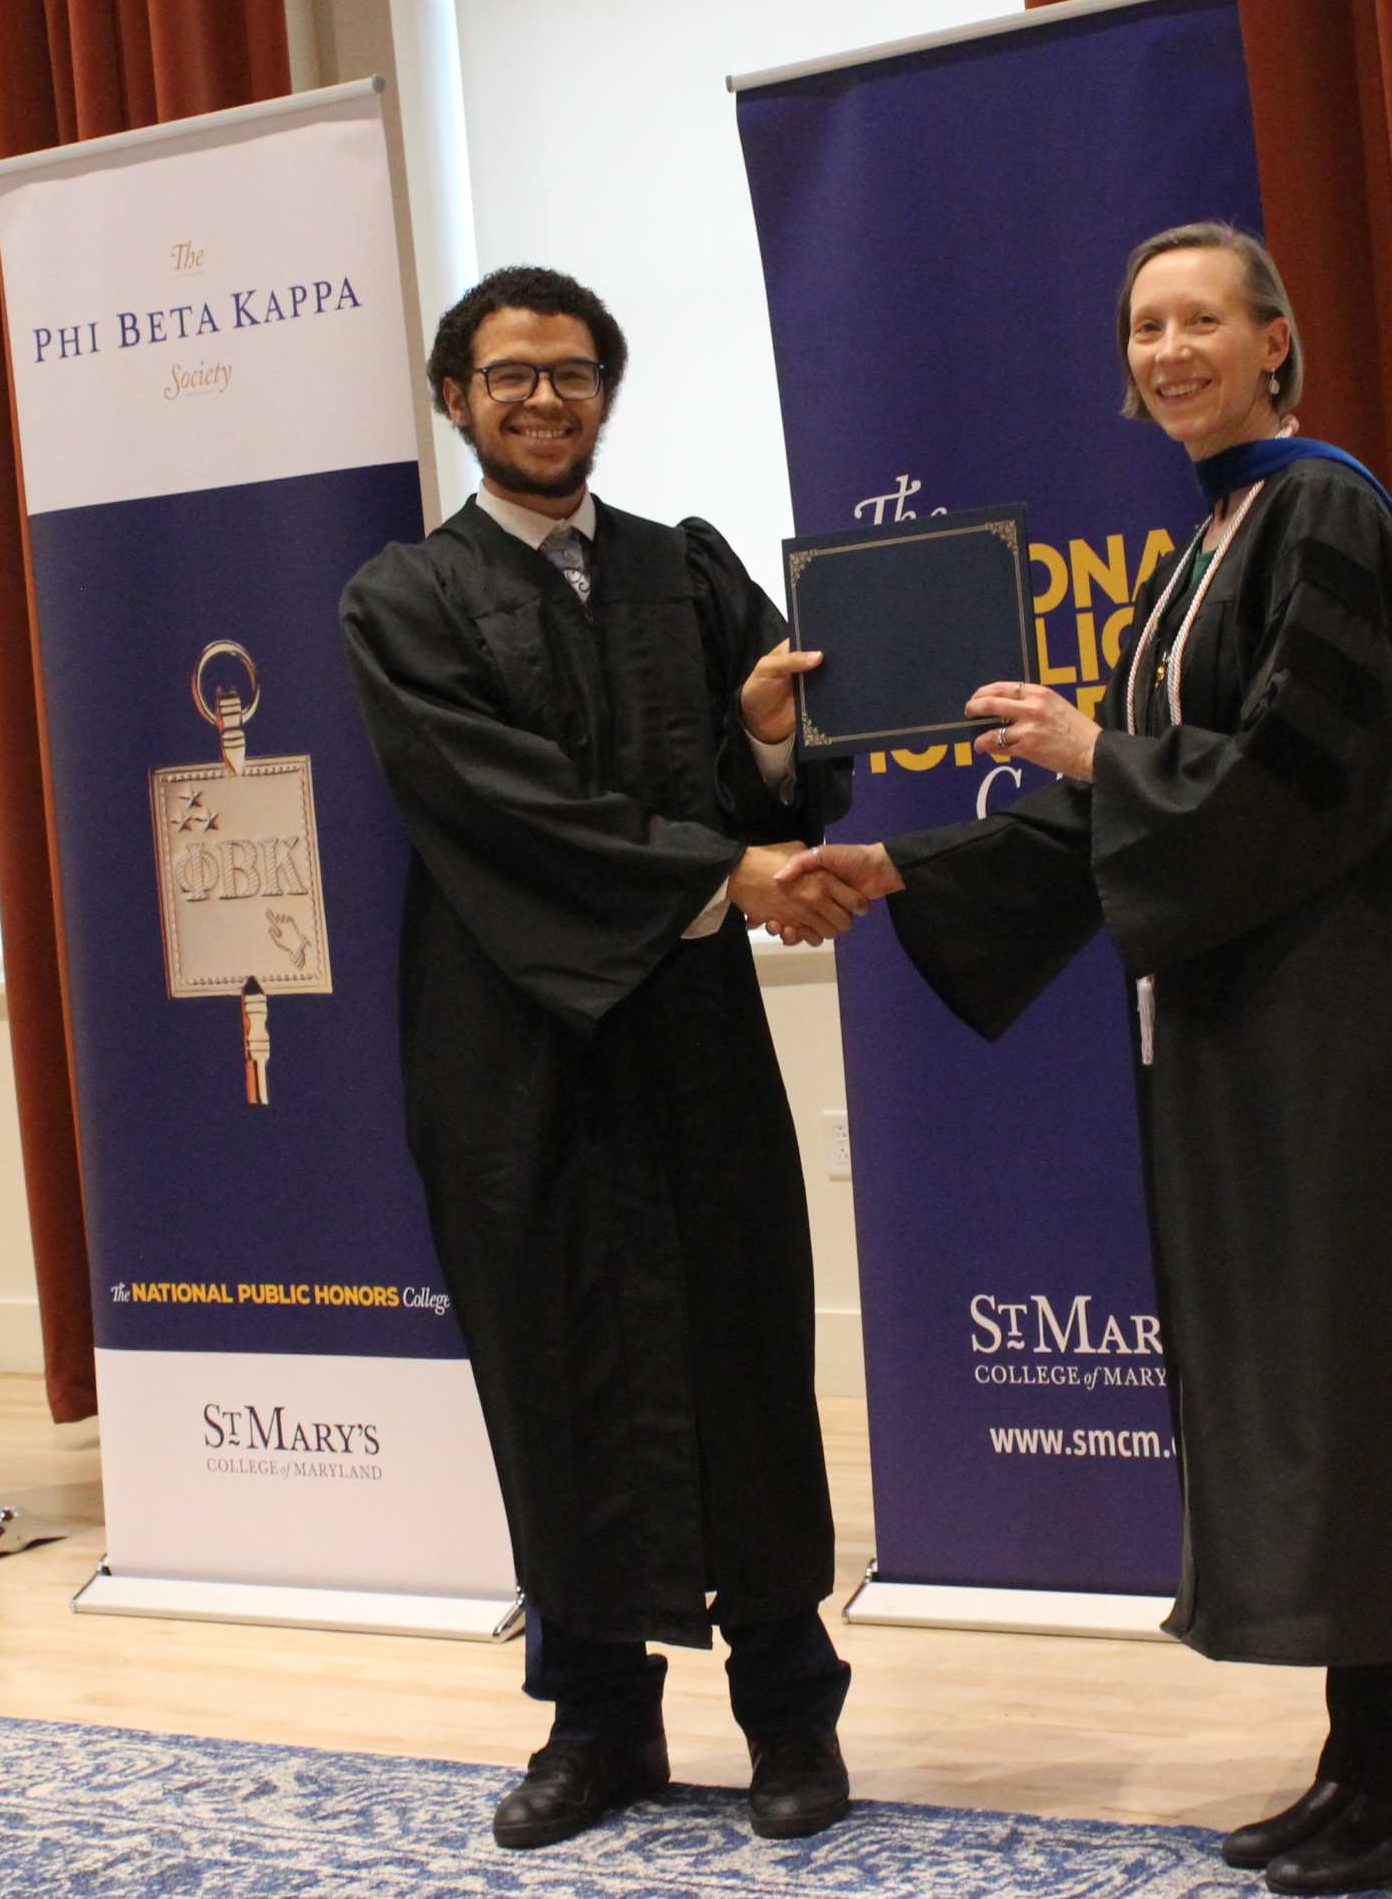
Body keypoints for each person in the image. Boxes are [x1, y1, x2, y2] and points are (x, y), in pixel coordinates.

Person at [782, 223, 1392, 1895]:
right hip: (1255, 1053)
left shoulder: (1322, 511)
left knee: (1376, 1410)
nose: (1171, 350)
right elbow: (1135, 793)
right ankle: (1368, 1764)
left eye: (1203, 320)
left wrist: (1097, 748)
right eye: (1144, 326)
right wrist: (904, 865)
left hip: (1346, 1054)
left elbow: (1297, 781)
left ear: (1277, 341)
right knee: (1324, 1409)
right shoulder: (1212, 541)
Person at [339, 265, 868, 1851]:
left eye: (571, 372)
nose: (543, 398)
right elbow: (504, 808)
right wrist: (725, 872)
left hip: (692, 1043)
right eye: (509, 374)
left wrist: (763, 733)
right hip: (513, 1055)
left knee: (744, 1365)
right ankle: (597, 1722)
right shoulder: (405, 600)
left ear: (605, 394)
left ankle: (789, 1710)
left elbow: (785, 787)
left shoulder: (687, 570)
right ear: (456, 398)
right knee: (552, 1371)